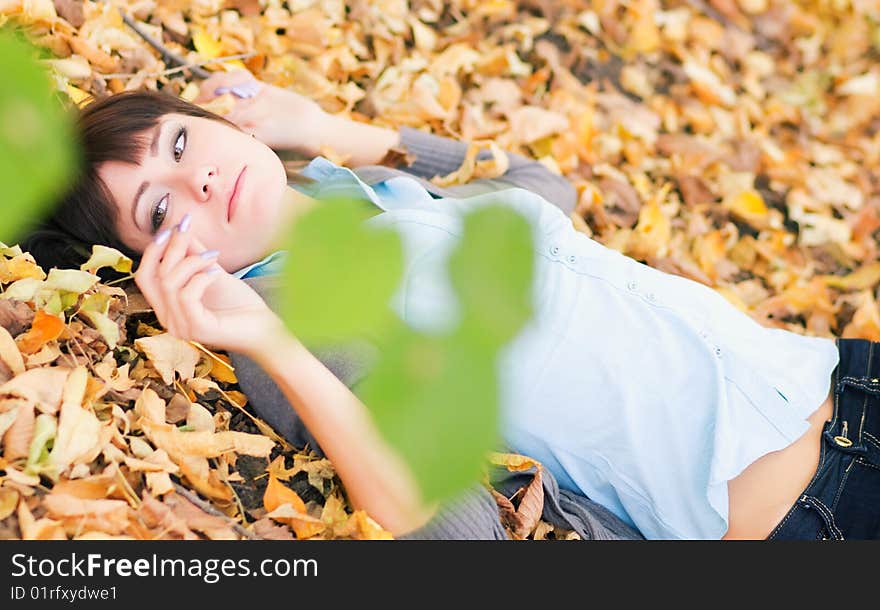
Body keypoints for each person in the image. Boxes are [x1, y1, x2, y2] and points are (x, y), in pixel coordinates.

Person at [21, 71, 879, 540]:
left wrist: (335, 132)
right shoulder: (295, 317)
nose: (198, 176)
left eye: (179, 141)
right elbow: (459, 528)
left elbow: (543, 189)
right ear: (163, 266)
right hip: (817, 509)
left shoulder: (354, 189)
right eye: (163, 211)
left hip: (843, 377)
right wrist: (269, 343)